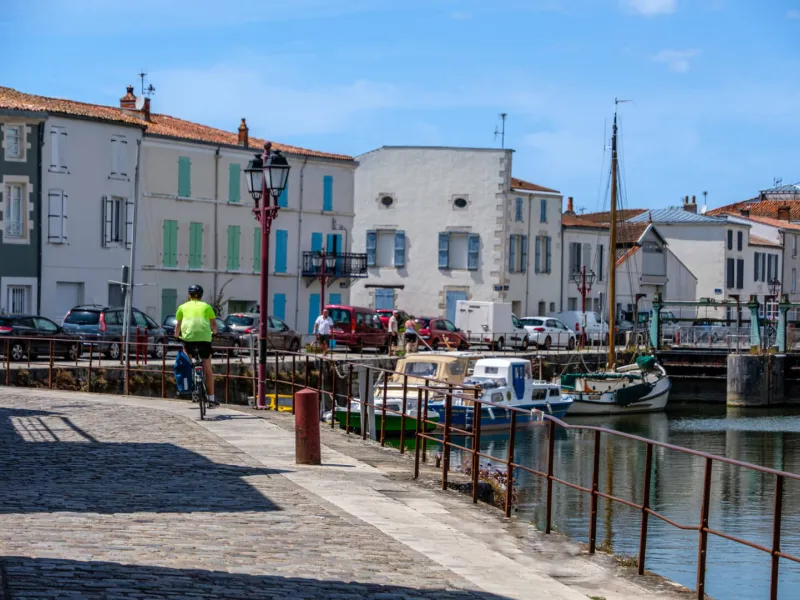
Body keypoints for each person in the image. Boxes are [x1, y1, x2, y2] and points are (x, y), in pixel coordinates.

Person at [175, 285, 219, 407]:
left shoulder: (182, 307)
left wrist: (176, 336)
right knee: (208, 368)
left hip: (188, 340)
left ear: (189, 295)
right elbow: (214, 325)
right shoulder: (207, 307)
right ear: (201, 295)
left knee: (188, 360)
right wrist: (215, 333)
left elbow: (178, 326)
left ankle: (193, 382)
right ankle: (211, 399)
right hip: (205, 340)